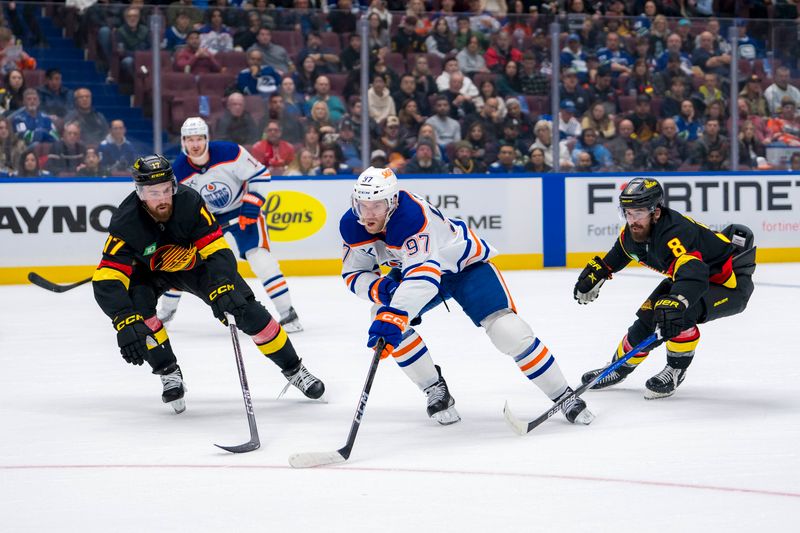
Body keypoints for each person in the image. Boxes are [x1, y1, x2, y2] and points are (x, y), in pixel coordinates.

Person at [340, 167, 594, 425]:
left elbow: (424, 278)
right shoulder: (352, 225)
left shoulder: (411, 216)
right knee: (379, 314)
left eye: (377, 206)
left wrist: (396, 313)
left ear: (392, 203)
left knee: (509, 331)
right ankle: (434, 388)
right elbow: (354, 273)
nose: (368, 214)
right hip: (417, 272)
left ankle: (564, 395)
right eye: (363, 205)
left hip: (464, 267)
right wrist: (383, 290)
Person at [91, 154, 324, 413]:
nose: (162, 198)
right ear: (140, 192)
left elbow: (217, 251)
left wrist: (222, 285)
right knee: (137, 317)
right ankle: (168, 371)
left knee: (246, 311)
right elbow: (107, 278)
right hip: (150, 272)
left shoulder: (190, 202)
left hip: (197, 266)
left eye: (166, 189)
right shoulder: (125, 222)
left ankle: (294, 369)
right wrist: (123, 319)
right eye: (153, 192)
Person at [575, 178, 756, 399]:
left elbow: (696, 273)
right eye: (628, 213)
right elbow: (621, 253)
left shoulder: (674, 235)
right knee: (647, 319)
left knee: (677, 313)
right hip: (691, 277)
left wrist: (678, 301)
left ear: (656, 212)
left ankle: (676, 370)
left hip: (729, 284)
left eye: (639, 212)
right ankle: (618, 368)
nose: (633, 220)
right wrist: (599, 271)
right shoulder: (633, 233)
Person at [158, 118, 304, 333]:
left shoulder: (230, 152)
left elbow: (260, 175)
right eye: (190, 140)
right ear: (183, 142)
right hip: (207, 220)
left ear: (207, 139)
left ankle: (288, 314)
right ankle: (166, 312)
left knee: (261, 260)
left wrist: (253, 202)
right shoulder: (178, 172)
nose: (195, 144)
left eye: (199, 138)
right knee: (181, 260)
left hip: (241, 211)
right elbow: (179, 208)